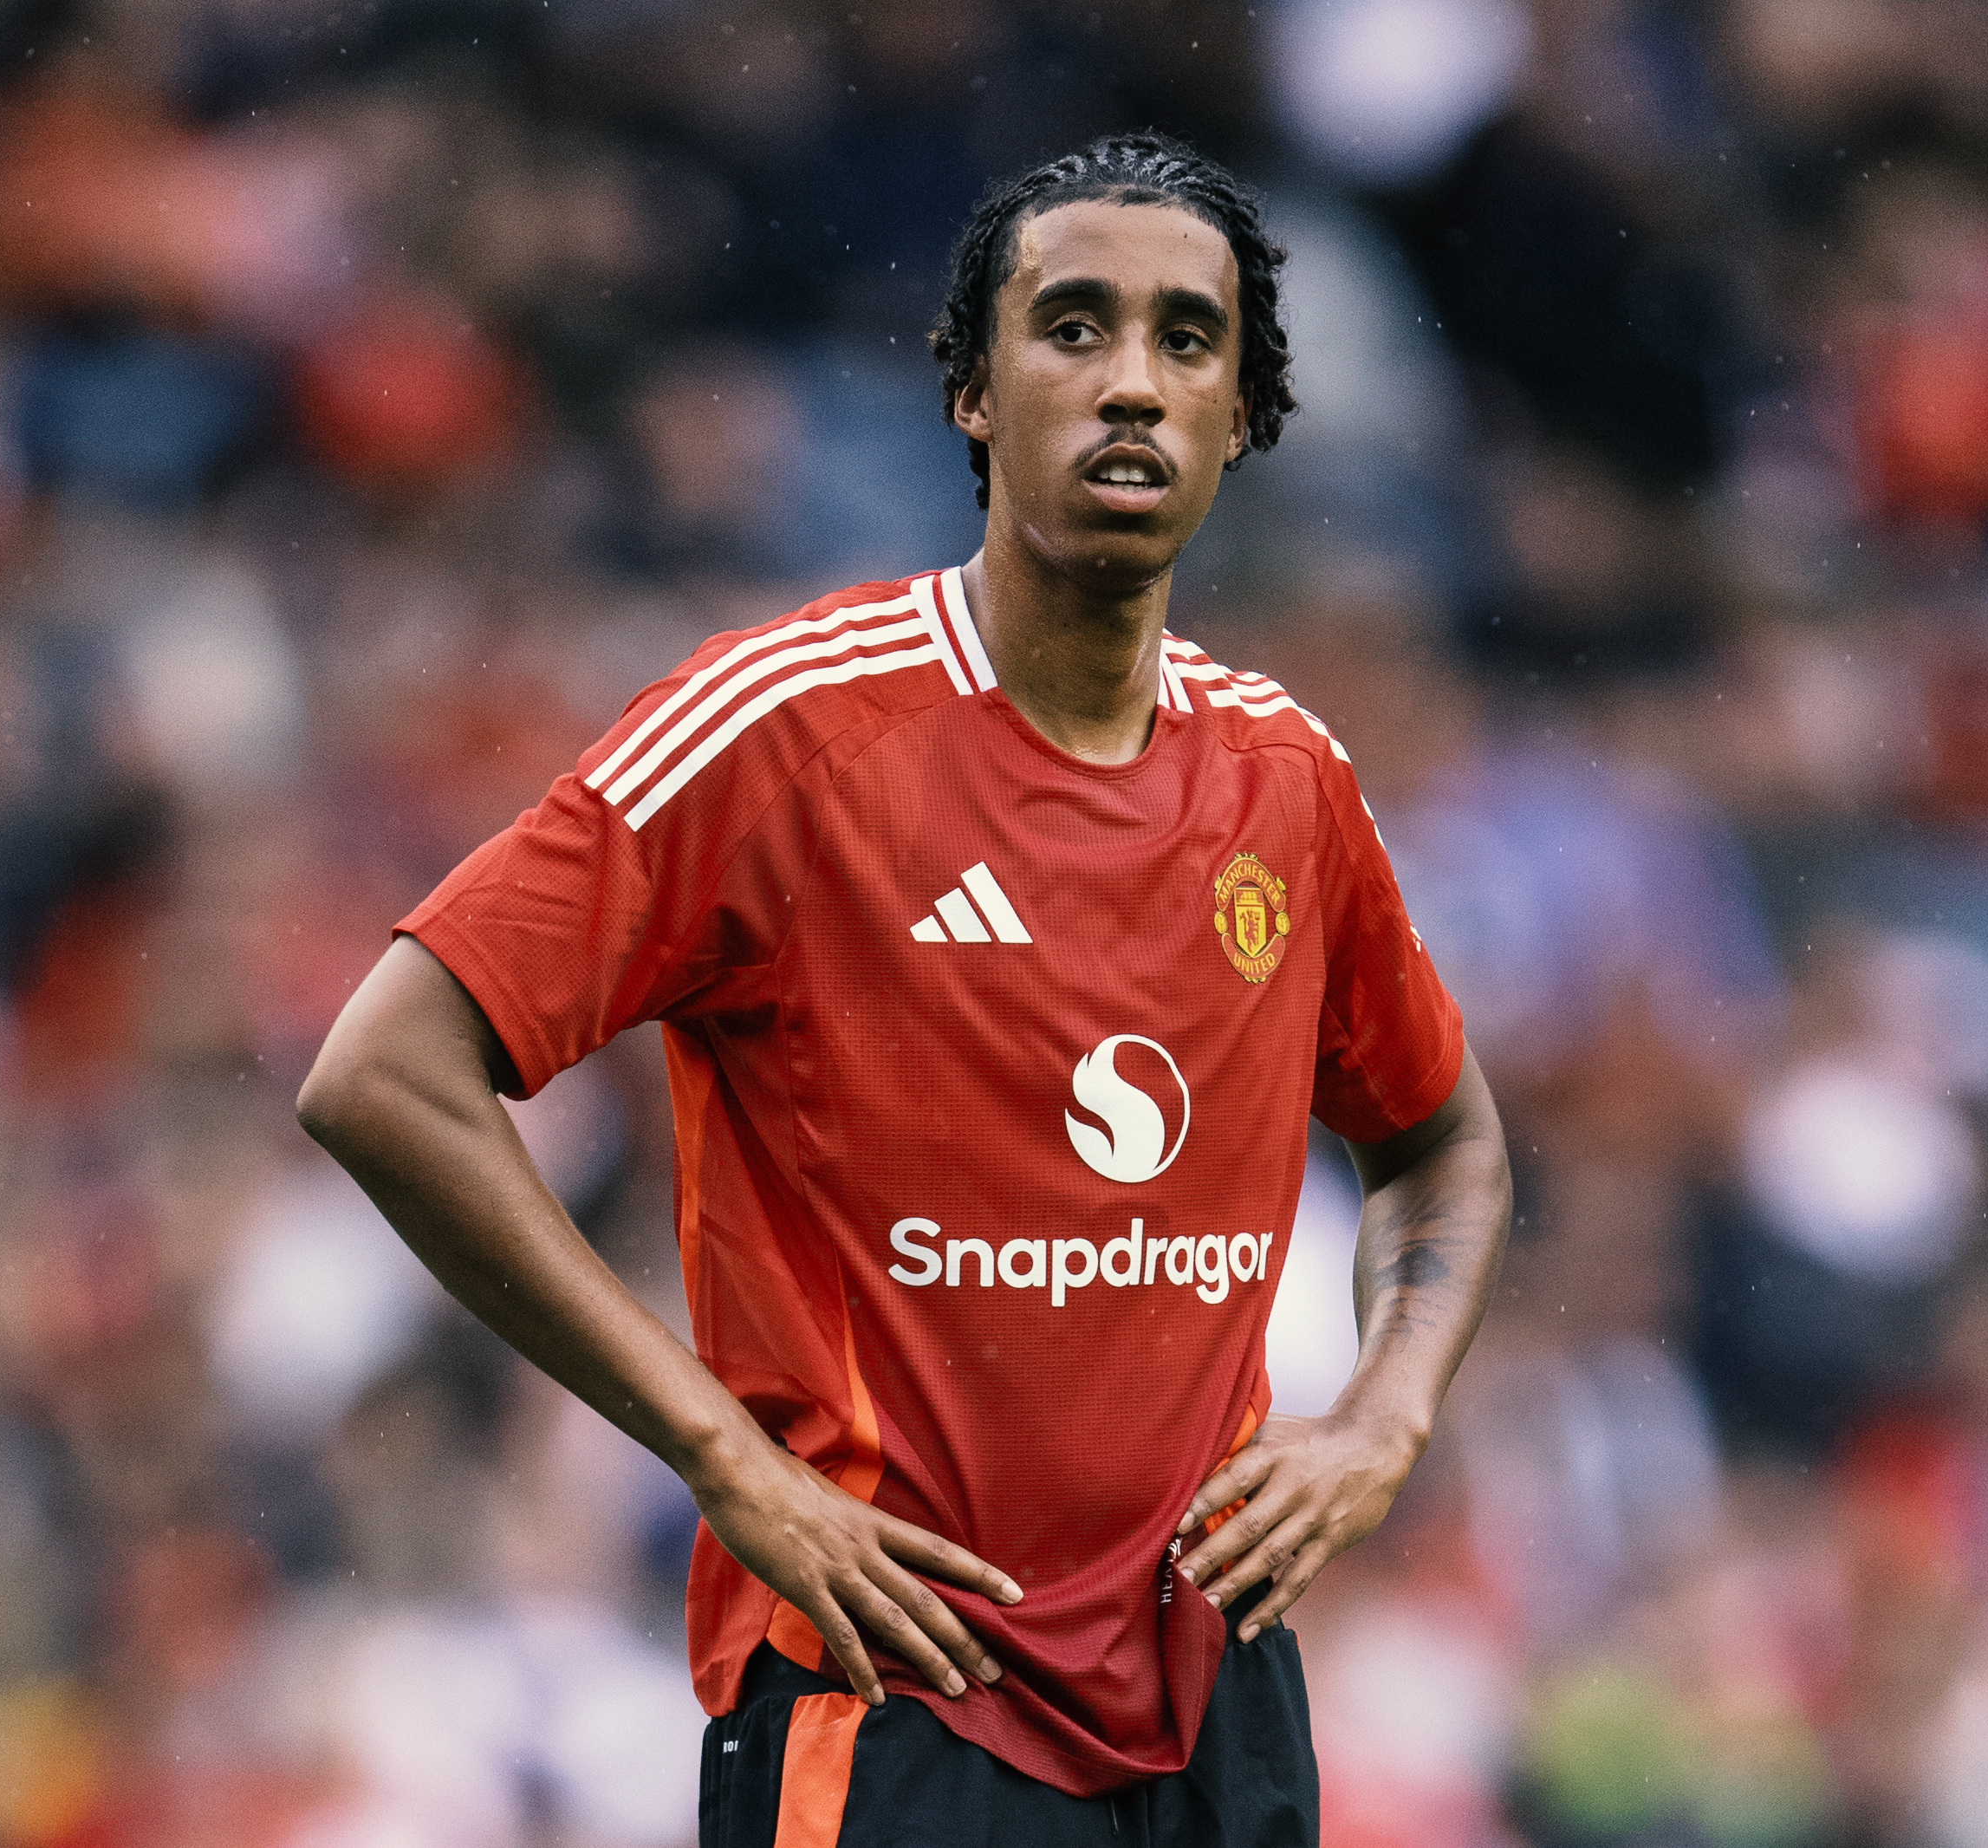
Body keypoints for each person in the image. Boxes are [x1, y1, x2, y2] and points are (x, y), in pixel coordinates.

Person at [296, 132, 1512, 1846]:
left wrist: (1384, 1416)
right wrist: (725, 1459)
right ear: (969, 390)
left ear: (1245, 415)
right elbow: (385, 1073)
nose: (1132, 387)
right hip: (893, 1698)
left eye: (1187, 340)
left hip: (1218, 1708)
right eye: (1072, 328)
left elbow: (1441, 1138)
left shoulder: (1286, 778)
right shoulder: (787, 733)